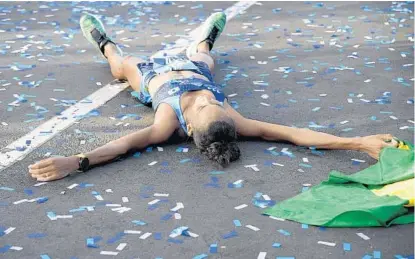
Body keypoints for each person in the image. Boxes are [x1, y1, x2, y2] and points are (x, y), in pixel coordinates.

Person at [28, 12, 398, 182]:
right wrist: (358, 141)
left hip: (153, 77)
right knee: (205, 60)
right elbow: (293, 133)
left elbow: (123, 145)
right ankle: (205, 40)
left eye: (205, 105)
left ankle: (104, 43)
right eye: (214, 103)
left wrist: (77, 162)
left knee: (122, 66)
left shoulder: (166, 124)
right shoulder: (227, 117)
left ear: (188, 127)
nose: (206, 101)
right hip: (193, 67)